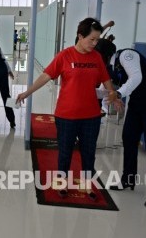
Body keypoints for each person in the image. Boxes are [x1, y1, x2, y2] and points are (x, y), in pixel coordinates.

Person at [16, 18, 118, 200]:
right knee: (65, 152)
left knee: (89, 153)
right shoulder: (65, 56)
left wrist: (112, 92)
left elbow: (105, 78)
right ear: (80, 36)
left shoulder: (96, 57)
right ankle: (61, 183)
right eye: (91, 39)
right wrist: (26, 92)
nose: (95, 44)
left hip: (91, 116)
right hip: (66, 115)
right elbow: (46, 76)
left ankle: (87, 185)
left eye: (97, 40)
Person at [95, 42, 146, 208]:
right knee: (128, 138)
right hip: (136, 102)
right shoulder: (108, 68)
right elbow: (105, 89)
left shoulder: (126, 56)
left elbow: (136, 77)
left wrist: (118, 93)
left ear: (103, 54)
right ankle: (128, 180)